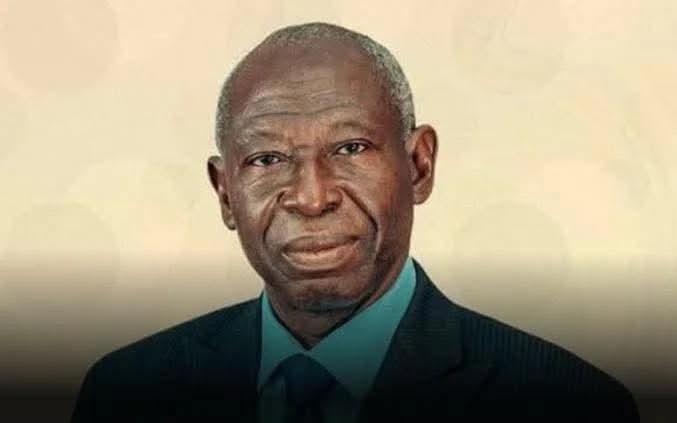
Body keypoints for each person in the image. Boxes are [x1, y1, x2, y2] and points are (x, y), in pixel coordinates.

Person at [71, 22, 639, 423]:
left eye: (350, 148)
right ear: (225, 193)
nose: (311, 198)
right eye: (267, 159)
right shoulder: (123, 395)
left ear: (418, 166)